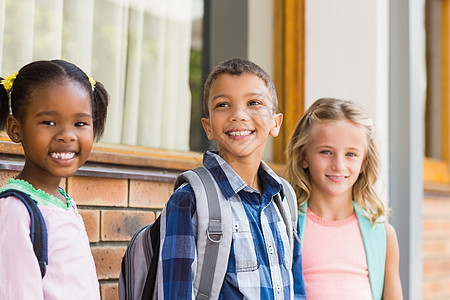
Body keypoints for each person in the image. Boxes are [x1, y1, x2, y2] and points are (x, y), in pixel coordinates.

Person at [157, 58, 306, 299]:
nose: (238, 115)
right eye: (223, 105)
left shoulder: (284, 198)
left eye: (254, 102)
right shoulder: (190, 200)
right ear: (208, 127)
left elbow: (296, 288)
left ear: (275, 123)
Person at [0, 59, 109, 299]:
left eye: (80, 123)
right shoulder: (15, 210)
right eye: (49, 122)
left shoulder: (62, 201)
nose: (67, 135)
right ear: (15, 128)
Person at [285, 97, 403, 300]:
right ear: (304, 156)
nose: (338, 165)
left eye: (351, 154)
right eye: (326, 152)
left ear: (364, 162)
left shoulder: (382, 235)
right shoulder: (286, 227)